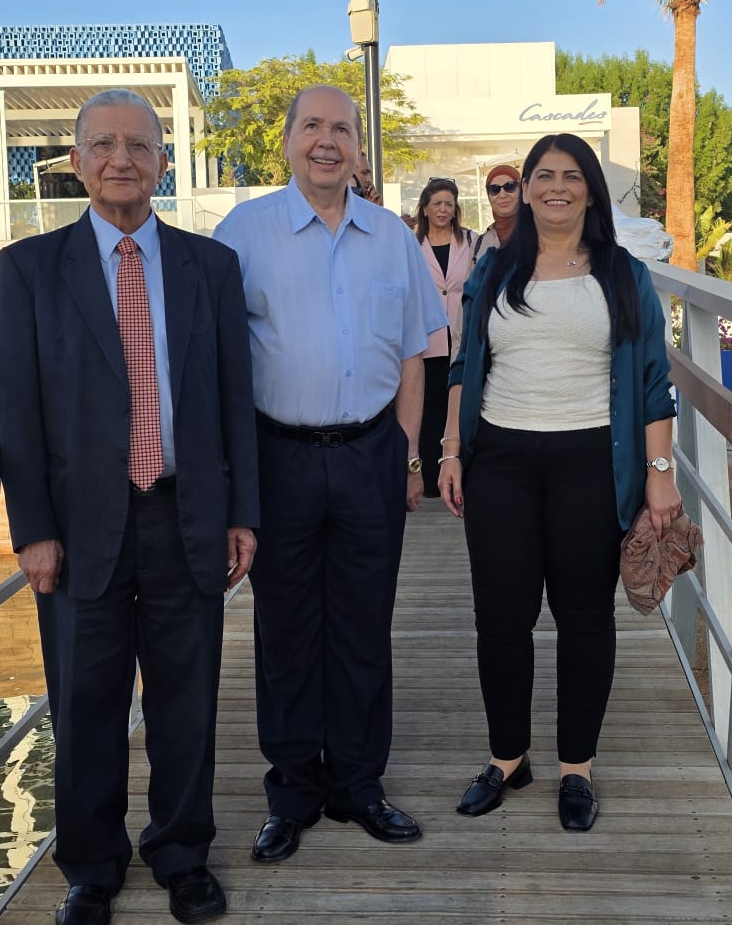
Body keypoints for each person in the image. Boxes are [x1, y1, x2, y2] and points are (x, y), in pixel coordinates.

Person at [0, 89, 259, 925]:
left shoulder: (210, 267)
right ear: (76, 162)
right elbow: (17, 413)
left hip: (187, 516)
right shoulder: (29, 269)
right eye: (103, 145)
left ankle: (182, 854)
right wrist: (33, 529)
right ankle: (91, 870)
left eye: (139, 146)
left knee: (187, 703)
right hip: (78, 532)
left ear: (163, 163)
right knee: (85, 707)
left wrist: (242, 513)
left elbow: (234, 400)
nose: (121, 160)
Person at [215, 85, 448, 862]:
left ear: (357, 148)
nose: (327, 141)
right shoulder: (243, 234)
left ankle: (358, 782)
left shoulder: (392, 239)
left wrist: (407, 455)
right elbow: (216, 357)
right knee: (284, 629)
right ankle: (291, 792)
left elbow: (414, 353)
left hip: (370, 454)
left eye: (341, 129)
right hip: (277, 455)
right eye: (312, 126)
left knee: (363, 625)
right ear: (287, 143)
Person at [438, 135, 680, 833]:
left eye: (571, 176)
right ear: (525, 188)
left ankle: (577, 767)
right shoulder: (495, 268)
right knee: (500, 618)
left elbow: (653, 381)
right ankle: (507, 758)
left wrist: (660, 474)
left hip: (590, 461)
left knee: (584, 619)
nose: (556, 187)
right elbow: (464, 364)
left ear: (591, 190)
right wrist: (451, 450)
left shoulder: (623, 274)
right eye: (542, 175)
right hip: (500, 459)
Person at [414, 177, 477, 497]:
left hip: (460, 333)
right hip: (426, 336)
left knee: (458, 404)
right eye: (437, 203)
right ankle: (427, 477)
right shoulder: (412, 243)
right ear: (425, 208)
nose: (443, 209)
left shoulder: (471, 240)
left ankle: (458, 470)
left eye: (449, 204)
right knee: (429, 406)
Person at [474, 161, 522, 260]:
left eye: (510, 186)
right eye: (494, 189)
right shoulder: (479, 244)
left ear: (521, 191)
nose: (502, 195)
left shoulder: (541, 236)